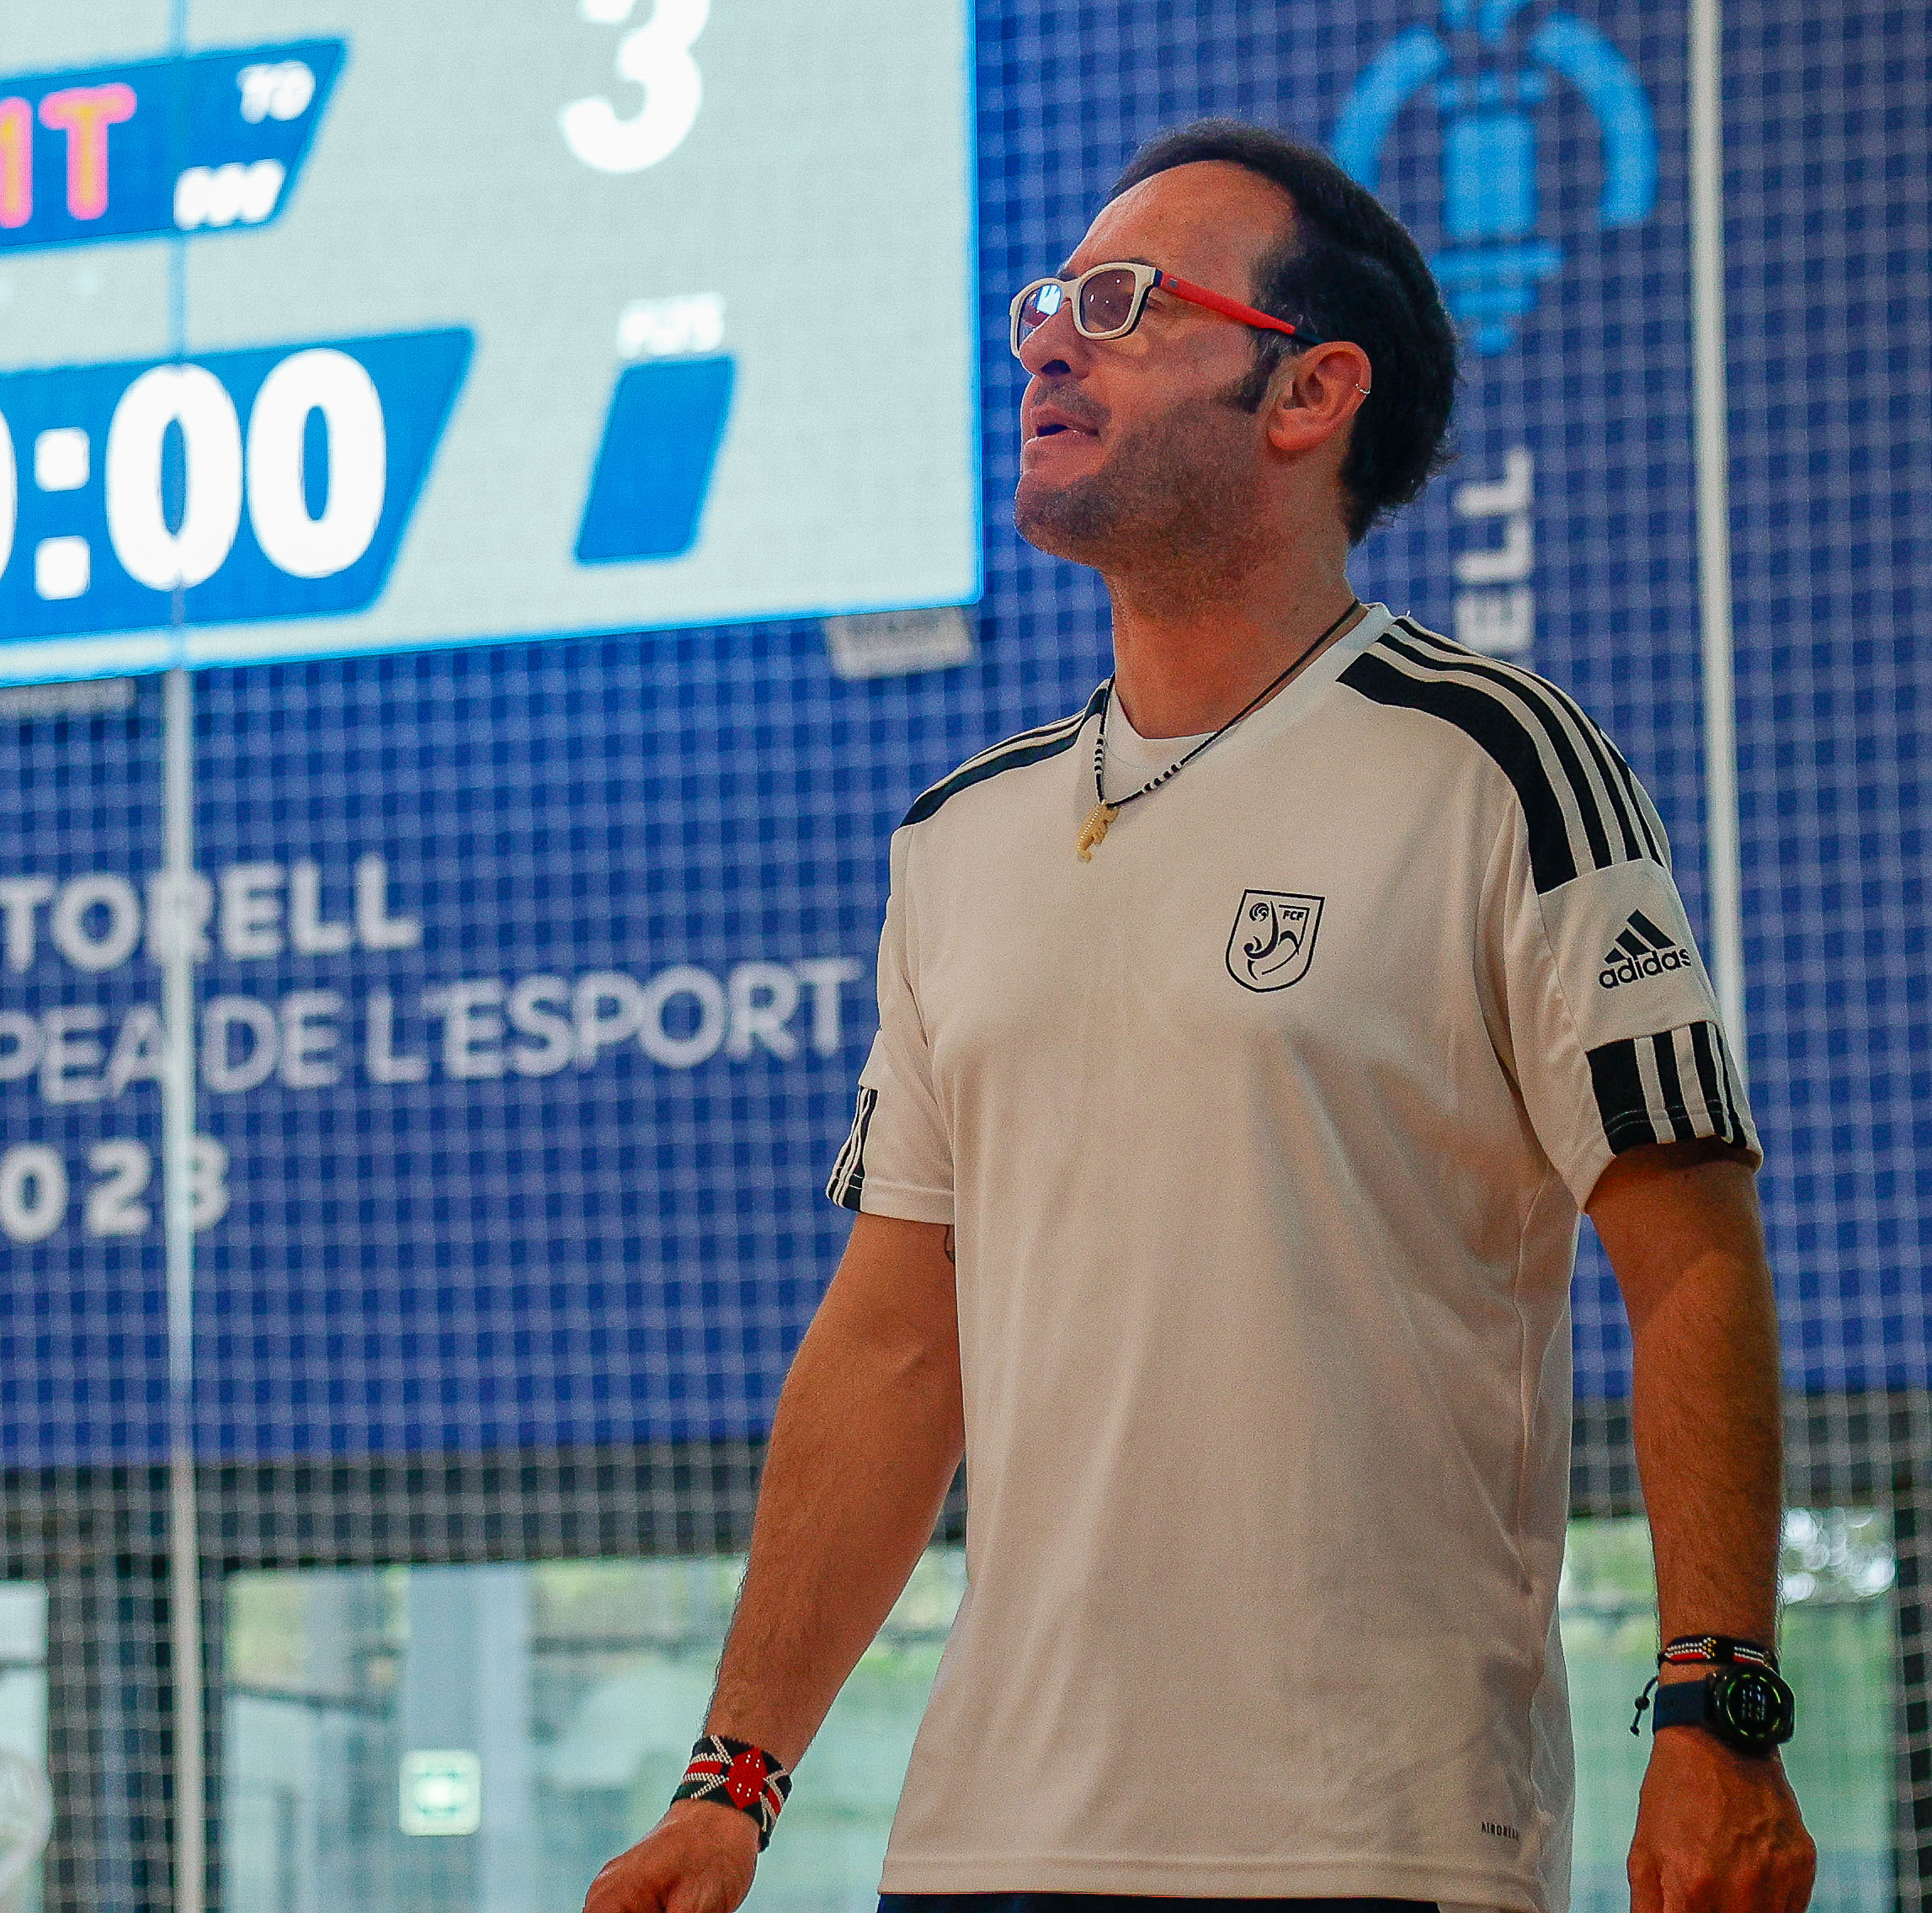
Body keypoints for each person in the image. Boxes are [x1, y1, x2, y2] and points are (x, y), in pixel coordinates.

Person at [584, 120, 1818, 1913]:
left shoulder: (1502, 765)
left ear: (1310, 390)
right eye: (1049, 304)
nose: (1050, 344)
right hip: (982, 1845)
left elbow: (1690, 1253)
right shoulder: (956, 838)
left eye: (1127, 304)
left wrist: (1720, 1710)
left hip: (1374, 1842)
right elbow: (894, 1341)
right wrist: (730, 1779)